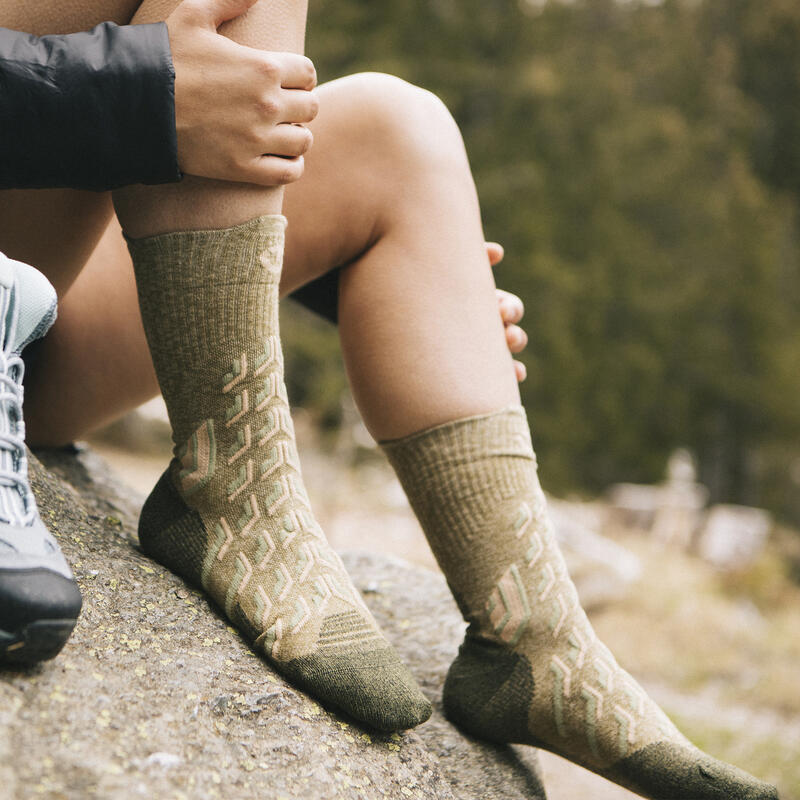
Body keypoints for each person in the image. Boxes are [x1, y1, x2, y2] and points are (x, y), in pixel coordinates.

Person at [0, 0, 778, 797]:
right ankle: (230, 485)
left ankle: (535, 646)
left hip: (30, 290)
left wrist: (368, 282)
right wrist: (124, 92)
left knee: (397, 131)